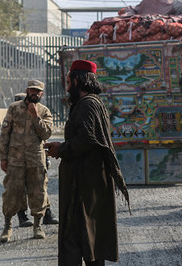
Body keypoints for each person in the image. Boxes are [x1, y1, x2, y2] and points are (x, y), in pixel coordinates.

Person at [45, 60, 130, 266]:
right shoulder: (90, 103)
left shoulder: (88, 105)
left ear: (78, 79)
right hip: (86, 179)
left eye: (69, 81)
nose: (67, 87)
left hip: (84, 182)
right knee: (88, 234)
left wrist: (61, 149)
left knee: (78, 233)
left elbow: (87, 139)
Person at [0, 80, 53, 242]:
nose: (35, 93)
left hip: (36, 159)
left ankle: (38, 225)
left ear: (41, 94)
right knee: (11, 193)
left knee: (38, 192)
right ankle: (7, 226)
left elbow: (46, 134)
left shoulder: (44, 111)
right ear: (27, 91)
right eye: (32, 90)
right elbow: (5, 134)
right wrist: (3, 157)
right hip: (15, 160)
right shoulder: (14, 108)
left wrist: (35, 116)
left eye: (38, 91)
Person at [10, 91, 59, 228]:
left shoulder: (39, 113)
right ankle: (22, 216)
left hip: (35, 157)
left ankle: (47, 213)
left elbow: (44, 135)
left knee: (40, 185)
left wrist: (46, 157)